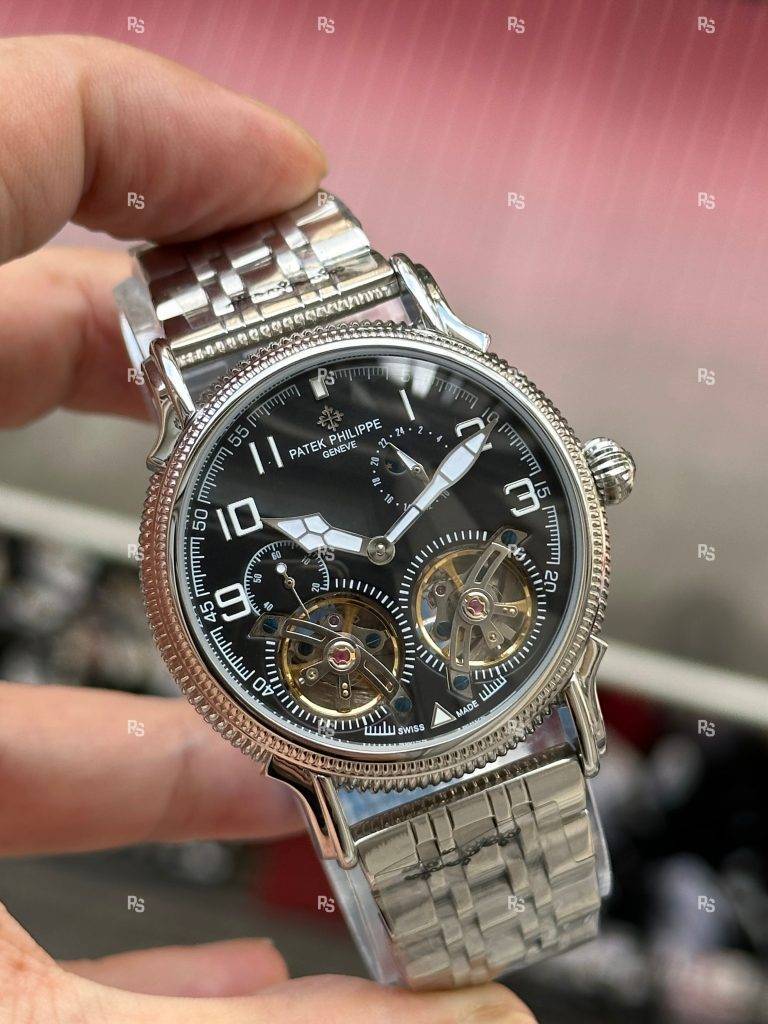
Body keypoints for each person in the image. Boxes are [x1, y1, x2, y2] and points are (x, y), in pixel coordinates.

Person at [0, 35, 535, 1024]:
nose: (381, 545)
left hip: (470, 668)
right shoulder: (225, 522)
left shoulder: (426, 378)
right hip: (366, 689)